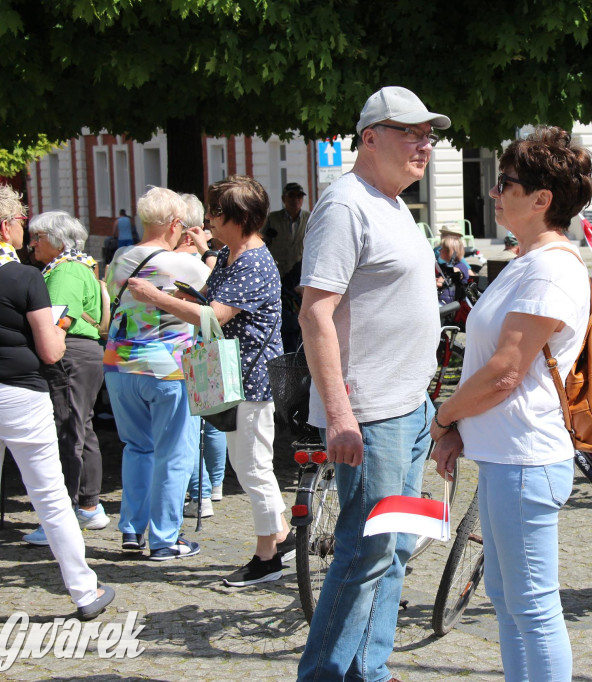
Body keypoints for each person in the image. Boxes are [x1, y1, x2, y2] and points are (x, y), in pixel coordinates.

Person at [296, 85, 449, 681]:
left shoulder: (392, 203)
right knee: (365, 552)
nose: (425, 143)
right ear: (369, 138)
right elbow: (315, 313)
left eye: (429, 134)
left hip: (411, 409)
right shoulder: (345, 206)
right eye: (411, 131)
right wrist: (338, 414)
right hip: (374, 416)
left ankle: (371, 670)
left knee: (397, 550)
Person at [429, 126, 592, 681]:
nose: (495, 193)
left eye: (506, 183)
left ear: (542, 199)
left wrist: (446, 415)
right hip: (506, 457)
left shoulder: (551, 267)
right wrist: (458, 430)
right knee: (506, 596)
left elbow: (504, 372)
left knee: (533, 608)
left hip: (527, 459)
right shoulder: (525, 262)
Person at [128, 176, 292, 585]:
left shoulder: (252, 260)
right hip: (233, 376)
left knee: (253, 468)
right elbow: (207, 297)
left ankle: (267, 556)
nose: (209, 220)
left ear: (239, 218)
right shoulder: (233, 253)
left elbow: (214, 315)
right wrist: (187, 286)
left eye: (216, 213)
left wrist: (155, 297)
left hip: (251, 379)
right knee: (247, 464)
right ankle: (284, 536)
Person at [0, 180, 115, 626]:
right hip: (19, 393)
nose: (24, 229)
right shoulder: (23, 277)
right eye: (21, 221)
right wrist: (59, 326)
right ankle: (84, 589)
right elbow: (51, 350)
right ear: (5, 227)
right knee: (51, 497)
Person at [104, 186, 209, 560]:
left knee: (137, 447)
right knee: (173, 452)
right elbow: (212, 290)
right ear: (176, 224)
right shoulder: (181, 264)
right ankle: (166, 538)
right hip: (167, 367)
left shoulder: (120, 257)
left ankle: (132, 531)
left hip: (119, 364)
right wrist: (206, 252)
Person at [21, 211, 110, 546]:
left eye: (38, 237)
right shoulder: (79, 265)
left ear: (58, 240)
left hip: (69, 353)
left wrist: (47, 351)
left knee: (68, 430)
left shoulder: (65, 270)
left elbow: (59, 318)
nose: (32, 244)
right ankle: (87, 504)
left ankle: (67, 512)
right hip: (81, 353)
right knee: (80, 428)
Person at [173, 194, 228, 517]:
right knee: (212, 418)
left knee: (195, 422)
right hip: (207, 345)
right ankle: (214, 486)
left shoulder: (185, 262)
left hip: (191, 346)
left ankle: (201, 492)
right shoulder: (210, 258)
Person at [261, 182, 309, 353]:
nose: (295, 200)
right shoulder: (273, 219)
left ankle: (298, 352)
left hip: (299, 277)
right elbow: (260, 242)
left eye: (299, 196)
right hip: (278, 276)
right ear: (283, 199)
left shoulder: (309, 219)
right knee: (280, 318)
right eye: (291, 196)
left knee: (298, 320)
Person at [436, 232, 470, 305]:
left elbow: (455, 273)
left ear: (450, 251)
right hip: (443, 300)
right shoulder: (445, 266)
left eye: (442, 248)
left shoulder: (461, 266)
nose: (439, 250)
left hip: (451, 306)